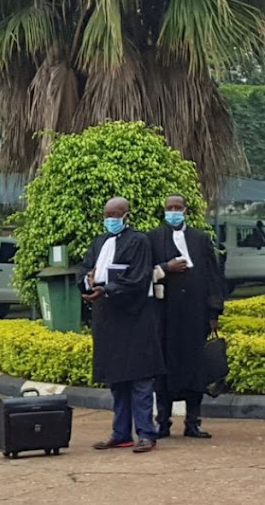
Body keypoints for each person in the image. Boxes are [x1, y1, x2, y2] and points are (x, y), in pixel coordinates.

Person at [78, 197, 165, 454]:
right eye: (107, 214)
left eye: (115, 214)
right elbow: (84, 268)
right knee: (117, 379)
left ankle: (146, 434)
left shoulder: (139, 241)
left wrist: (107, 288)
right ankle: (120, 433)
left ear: (126, 215)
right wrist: (87, 281)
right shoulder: (99, 242)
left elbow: (138, 277)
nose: (110, 219)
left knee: (139, 377)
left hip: (134, 317)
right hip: (108, 318)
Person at [147, 194, 224, 439]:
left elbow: (213, 276)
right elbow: (144, 271)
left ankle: (193, 422)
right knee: (163, 369)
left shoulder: (200, 239)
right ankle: (163, 422)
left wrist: (213, 311)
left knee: (195, 367)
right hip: (164, 314)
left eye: (177, 208)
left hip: (194, 313)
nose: (173, 211)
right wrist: (166, 267)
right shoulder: (153, 238)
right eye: (169, 208)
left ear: (185, 210)